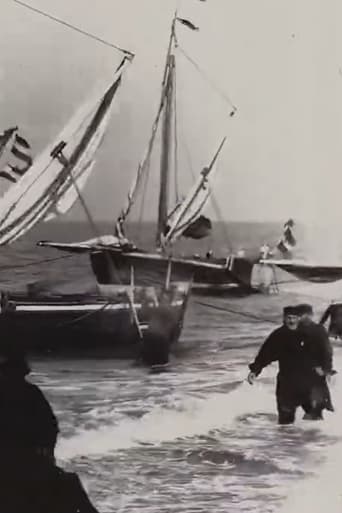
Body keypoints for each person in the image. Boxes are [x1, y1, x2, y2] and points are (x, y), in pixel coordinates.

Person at [0, 345, 100, 513]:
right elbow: (51, 427)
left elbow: (50, 428)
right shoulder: (30, 393)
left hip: (25, 463)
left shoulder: (29, 393)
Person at [247, 306, 333, 424]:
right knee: (285, 422)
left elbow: (326, 353)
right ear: (284, 318)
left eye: (294, 318)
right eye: (288, 318)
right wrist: (255, 371)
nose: (291, 321)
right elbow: (265, 354)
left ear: (300, 318)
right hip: (288, 384)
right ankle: (286, 441)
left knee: (315, 420)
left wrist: (326, 370)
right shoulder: (279, 335)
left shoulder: (315, 332)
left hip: (312, 383)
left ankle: (315, 442)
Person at [296, 303, 335, 418]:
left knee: (317, 404)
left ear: (310, 315)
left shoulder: (318, 330)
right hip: (302, 371)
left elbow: (327, 350)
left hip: (316, 370)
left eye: (304, 315)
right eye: (300, 315)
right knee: (308, 403)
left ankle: (318, 426)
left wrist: (327, 369)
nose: (302, 318)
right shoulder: (296, 330)